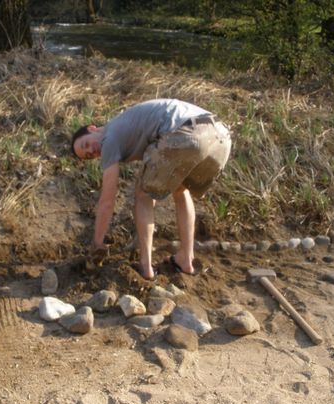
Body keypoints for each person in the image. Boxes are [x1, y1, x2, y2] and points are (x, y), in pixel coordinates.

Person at [71, 98, 231, 280]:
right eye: (89, 156)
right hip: (220, 137)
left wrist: (97, 243)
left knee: (143, 195)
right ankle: (186, 259)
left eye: (86, 145)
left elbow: (107, 201)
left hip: (186, 134)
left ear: (92, 128)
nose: (92, 151)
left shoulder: (109, 137)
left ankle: (145, 267)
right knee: (180, 189)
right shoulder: (127, 125)